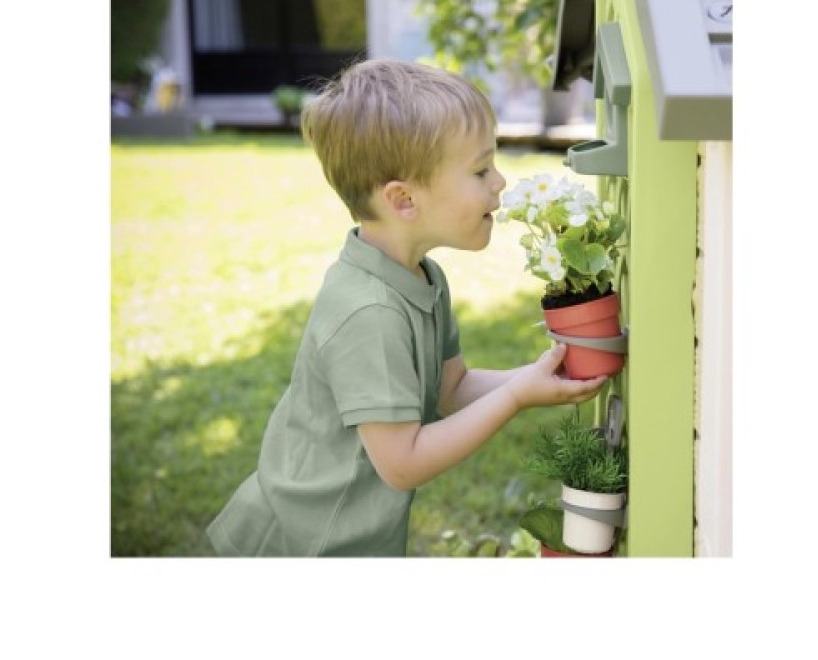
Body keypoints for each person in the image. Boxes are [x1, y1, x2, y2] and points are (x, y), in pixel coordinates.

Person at [206, 59, 607, 557]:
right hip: (301, 545)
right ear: (404, 200)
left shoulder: (422, 277)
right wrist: (515, 397)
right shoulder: (369, 312)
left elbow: (451, 391)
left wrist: (538, 376)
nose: (500, 182)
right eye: (480, 170)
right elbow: (403, 464)